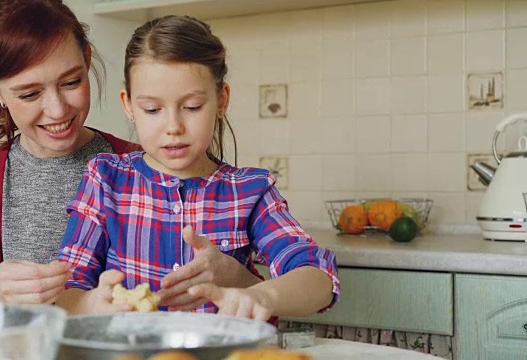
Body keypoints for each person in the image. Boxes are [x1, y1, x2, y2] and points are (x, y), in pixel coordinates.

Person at [0, 0, 259, 305]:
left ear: (87, 59)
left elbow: (252, 292)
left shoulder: (152, 164)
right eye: (29, 94)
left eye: (71, 82)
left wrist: (238, 279)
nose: (57, 110)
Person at [56, 15, 340, 320]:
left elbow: (318, 278)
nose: (173, 127)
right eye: (152, 109)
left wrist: (259, 295)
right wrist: (88, 305)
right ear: (128, 105)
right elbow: (68, 286)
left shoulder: (250, 190)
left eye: (192, 107)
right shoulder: (105, 179)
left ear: (221, 100)